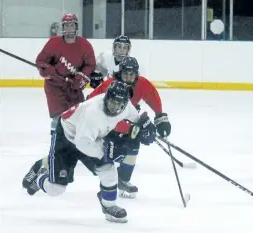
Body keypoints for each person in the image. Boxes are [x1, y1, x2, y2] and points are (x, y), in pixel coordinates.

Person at [23, 81, 156, 223]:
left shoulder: (125, 106)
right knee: (55, 189)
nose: (114, 107)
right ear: (106, 98)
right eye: (111, 102)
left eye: (118, 104)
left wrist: (145, 126)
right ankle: (41, 175)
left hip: (90, 137)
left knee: (108, 170)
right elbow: (82, 144)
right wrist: (106, 152)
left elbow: (136, 118)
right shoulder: (93, 114)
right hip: (67, 138)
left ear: (124, 104)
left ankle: (108, 206)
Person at [87, 56, 171, 198]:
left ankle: (123, 180)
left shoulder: (141, 84)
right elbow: (101, 112)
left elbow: (152, 97)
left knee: (133, 143)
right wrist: (132, 128)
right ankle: (108, 185)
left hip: (123, 122)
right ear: (119, 73)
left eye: (131, 74)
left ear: (136, 75)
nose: (128, 77)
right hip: (101, 123)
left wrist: (160, 117)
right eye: (125, 73)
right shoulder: (111, 86)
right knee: (110, 155)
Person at [36, 13, 96, 135]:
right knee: (58, 119)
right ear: (63, 28)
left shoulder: (84, 44)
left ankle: (74, 149)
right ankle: (55, 148)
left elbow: (90, 64)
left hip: (73, 88)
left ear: (76, 27)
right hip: (54, 87)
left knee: (78, 118)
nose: (69, 28)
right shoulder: (53, 43)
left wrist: (82, 77)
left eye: (72, 25)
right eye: (67, 25)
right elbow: (40, 61)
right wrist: (48, 69)